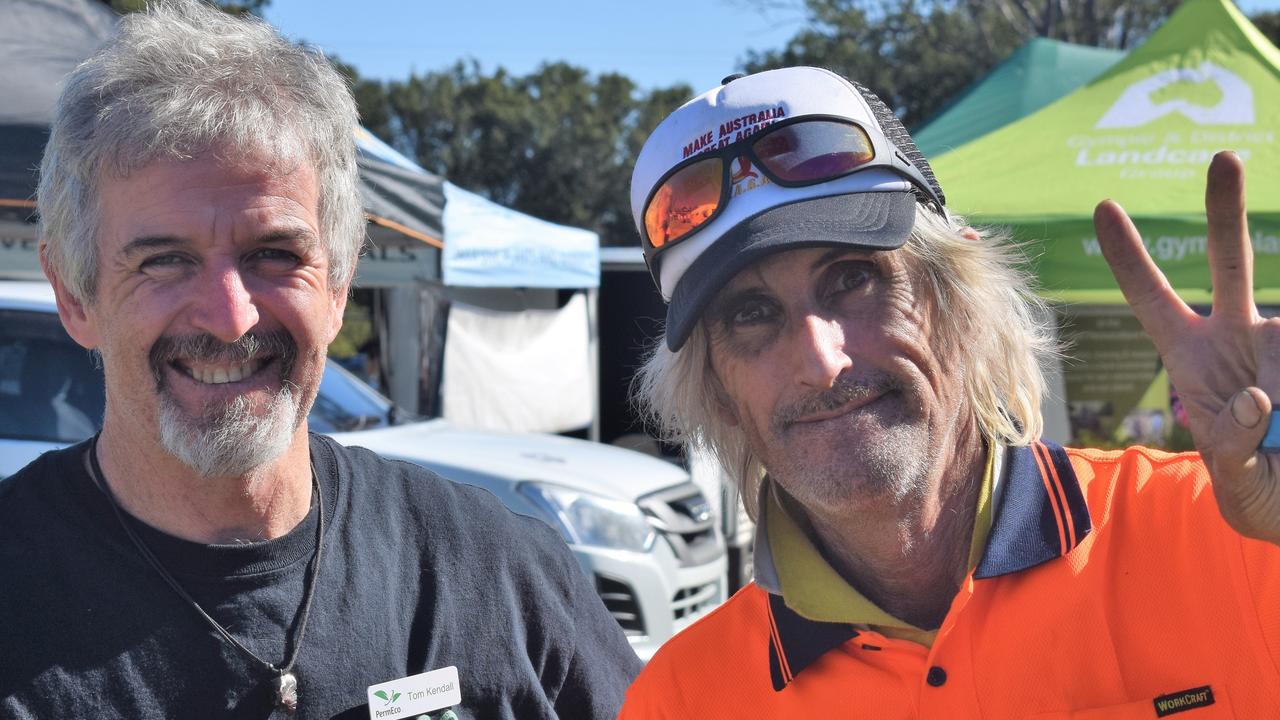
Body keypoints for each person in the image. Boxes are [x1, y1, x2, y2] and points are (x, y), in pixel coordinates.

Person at [0, 2, 641, 718]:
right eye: (165, 261)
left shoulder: (498, 577)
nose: (231, 316)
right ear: (75, 295)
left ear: (339, 284)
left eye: (273, 254)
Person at [621, 66, 1280, 716]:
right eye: (751, 315)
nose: (822, 361)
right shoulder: (682, 699)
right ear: (721, 394)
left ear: (959, 302)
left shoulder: (1233, 538)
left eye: (854, 278)